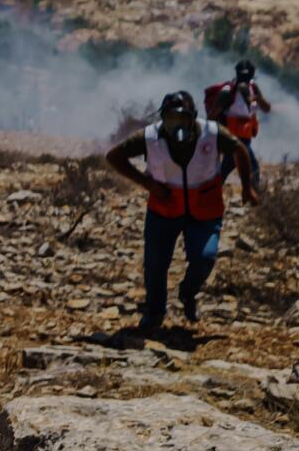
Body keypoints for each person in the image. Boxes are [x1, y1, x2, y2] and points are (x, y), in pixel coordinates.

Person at [105, 90, 257, 332]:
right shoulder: (150, 136)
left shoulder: (212, 133)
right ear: (162, 118)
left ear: (193, 117)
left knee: (205, 258)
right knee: (155, 264)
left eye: (182, 119)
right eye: (170, 119)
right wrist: (147, 184)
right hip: (163, 210)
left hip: (205, 210)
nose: (176, 125)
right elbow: (114, 156)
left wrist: (247, 188)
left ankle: (188, 293)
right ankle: (154, 313)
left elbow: (240, 150)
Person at [205, 59, 270, 190]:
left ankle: (212, 191)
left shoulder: (253, 87)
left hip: (245, 136)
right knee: (252, 166)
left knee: (227, 167)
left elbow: (267, 108)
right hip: (231, 137)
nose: (245, 80)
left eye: (247, 77)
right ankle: (256, 196)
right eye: (243, 77)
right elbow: (212, 116)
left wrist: (256, 98)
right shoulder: (227, 92)